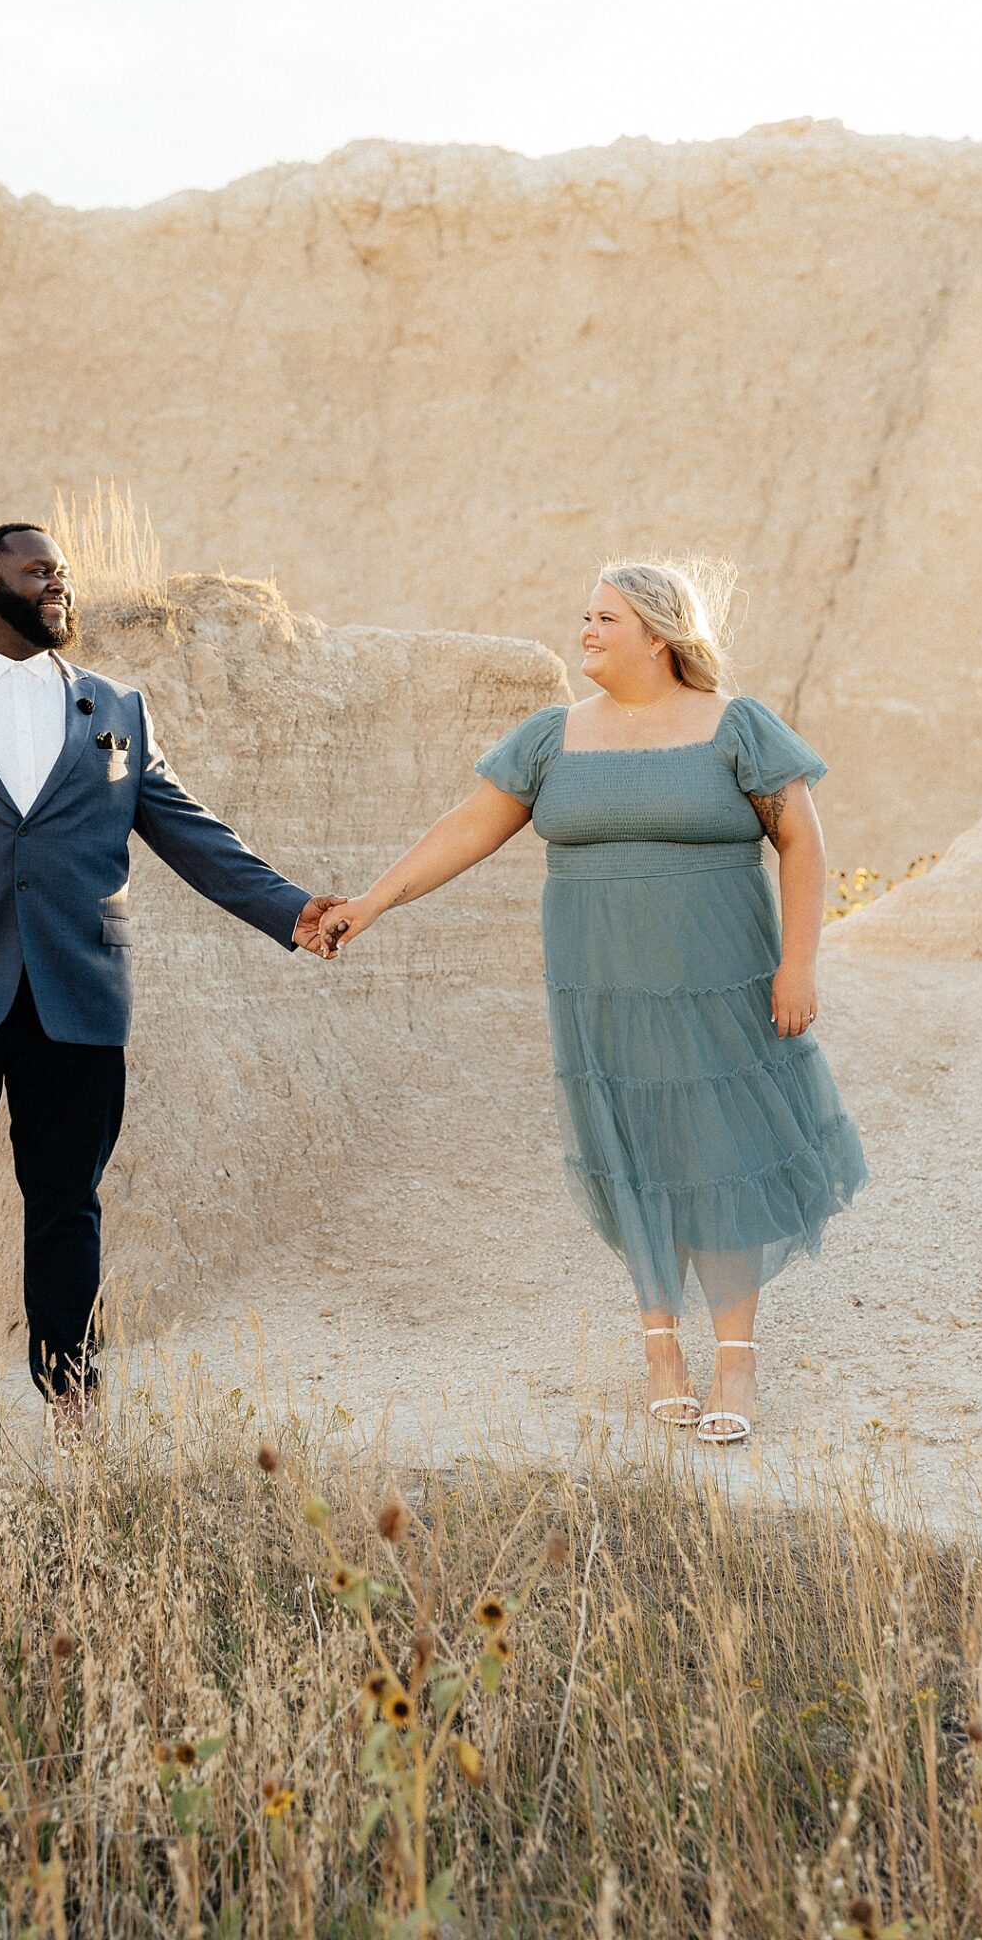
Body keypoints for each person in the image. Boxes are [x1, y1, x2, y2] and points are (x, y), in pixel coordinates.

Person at [0, 522, 344, 1451]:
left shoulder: (115, 708)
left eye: (63, 574)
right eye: (40, 572)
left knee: (67, 1202)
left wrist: (289, 910)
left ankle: (71, 1392)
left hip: (77, 995)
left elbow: (190, 832)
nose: (61, 586)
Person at [320, 556, 866, 1445]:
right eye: (584, 617)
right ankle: (660, 1348)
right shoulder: (551, 737)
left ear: (657, 634)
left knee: (720, 1153)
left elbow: (801, 844)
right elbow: (465, 828)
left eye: (604, 619)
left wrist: (798, 965)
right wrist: (369, 904)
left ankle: (735, 1360)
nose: (585, 632)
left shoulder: (738, 727)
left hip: (721, 983)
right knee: (634, 1152)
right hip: (601, 990)